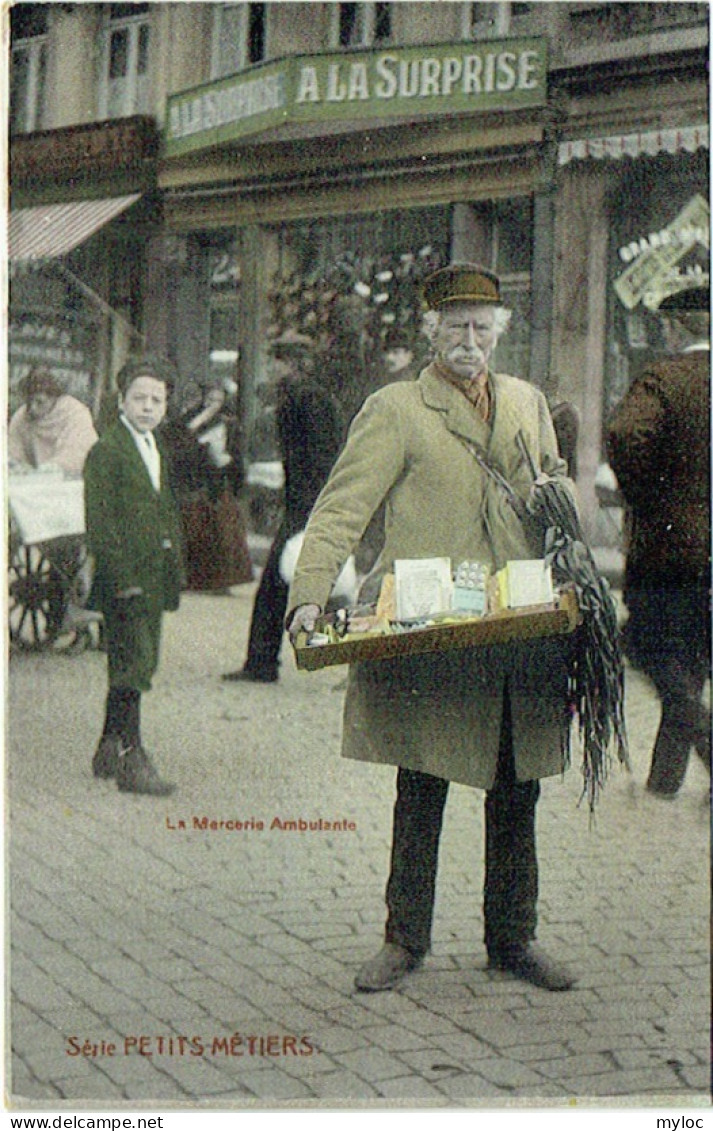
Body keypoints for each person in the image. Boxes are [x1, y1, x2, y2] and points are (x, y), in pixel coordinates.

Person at [288, 263, 578, 993]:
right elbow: (340, 509)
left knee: (518, 788)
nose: (468, 340)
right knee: (421, 786)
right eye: (454, 327)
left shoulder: (526, 402)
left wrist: (560, 498)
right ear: (431, 332)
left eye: (481, 327)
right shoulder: (394, 408)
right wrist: (308, 595)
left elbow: (555, 485)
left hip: (516, 625)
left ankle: (513, 938)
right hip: (429, 629)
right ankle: (402, 938)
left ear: (498, 334)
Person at [606, 284, 711, 799]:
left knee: (644, 645)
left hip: (670, 549)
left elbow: (626, 436)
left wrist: (650, 497)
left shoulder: (663, 378)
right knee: (691, 661)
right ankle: (663, 784)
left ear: (673, 328)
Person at [84, 355, 182, 796]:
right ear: (121, 401)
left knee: (134, 659)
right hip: (126, 580)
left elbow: (165, 510)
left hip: (153, 575)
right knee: (133, 664)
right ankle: (133, 757)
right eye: (138, 398)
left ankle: (107, 745)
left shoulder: (155, 446)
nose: (147, 407)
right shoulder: (107, 450)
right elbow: (100, 524)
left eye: (156, 400)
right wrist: (123, 578)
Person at [222, 336, 344, 683]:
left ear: (293, 364)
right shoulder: (313, 397)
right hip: (312, 503)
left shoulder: (304, 401)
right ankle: (264, 662)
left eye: (278, 361)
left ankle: (262, 663)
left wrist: (304, 509)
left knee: (279, 585)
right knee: (299, 585)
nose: (273, 368)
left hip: (308, 506)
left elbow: (316, 460)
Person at [159, 381, 253, 592]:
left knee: (221, 532)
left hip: (217, 482)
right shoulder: (190, 419)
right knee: (196, 531)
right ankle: (195, 579)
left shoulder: (228, 423)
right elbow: (179, 440)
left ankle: (221, 581)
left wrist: (229, 465)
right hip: (196, 481)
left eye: (218, 400)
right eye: (210, 399)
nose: (213, 404)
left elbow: (235, 455)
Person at [9, 367, 98, 475]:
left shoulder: (75, 413)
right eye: (29, 401)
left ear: (55, 398)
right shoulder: (21, 416)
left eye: (39, 402)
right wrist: (17, 466)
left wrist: (53, 467)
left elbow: (78, 454)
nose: (32, 408)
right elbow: (12, 452)